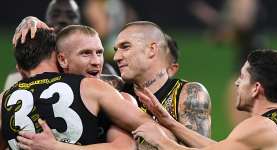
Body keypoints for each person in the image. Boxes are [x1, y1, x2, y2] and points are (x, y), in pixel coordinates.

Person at [0, 28, 174, 150]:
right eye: (85, 53)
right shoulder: (92, 88)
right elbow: (156, 137)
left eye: (99, 53)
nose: (96, 61)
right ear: (60, 58)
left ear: (20, 69)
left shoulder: (4, 100)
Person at [132, 49, 277, 149]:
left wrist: (161, 141)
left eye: (242, 77)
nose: (237, 83)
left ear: (256, 88)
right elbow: (217, 148)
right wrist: (170, 123)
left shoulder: (260, 126)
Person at [115, 21, 211, 140]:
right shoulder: (114, 90)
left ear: (151, 50)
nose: (116, 57)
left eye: (125, 47)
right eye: (116, 50)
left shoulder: (189, 94)